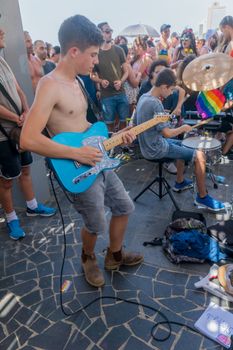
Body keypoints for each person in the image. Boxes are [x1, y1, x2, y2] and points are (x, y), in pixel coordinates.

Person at [20, 15, 143, 288]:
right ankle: (88, 257)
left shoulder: (79, 81)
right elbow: (28, 139)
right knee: (96, 222)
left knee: (124, 206)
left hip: (97, 159)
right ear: (74, 51)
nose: (96, 61)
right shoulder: (50, 85)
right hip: (77, 168)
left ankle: (115, 254)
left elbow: (84, 126)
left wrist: (114, 137)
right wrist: (77, 154)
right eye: (93, 54)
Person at [134, 68, 225, 211]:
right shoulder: (156, 103)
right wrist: (182, 128)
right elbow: (168, 134)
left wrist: (165, 118)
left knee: (184, 144)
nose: (171, 93)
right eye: (170, 90)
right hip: (156, 148)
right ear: (164, 86)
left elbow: (142, 123)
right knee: (200, 156)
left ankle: (180, 181)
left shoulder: (144, 97)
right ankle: (202, 198)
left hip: (147, 145)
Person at [0, 27, 56, 240]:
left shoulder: (3, 62)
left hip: (19, 128)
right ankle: (11, 218)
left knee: (26, 168)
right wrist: (17, 118)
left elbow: (19, 90)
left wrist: (26, 110)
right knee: (6, 180)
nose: (3, 32)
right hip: (4, 135)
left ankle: (32, 206)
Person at [91, 22, 129, 132]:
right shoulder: (96, 52)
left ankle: (123, 147)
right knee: (109, 125)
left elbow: (126, 71)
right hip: (106, 96)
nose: (110, 33)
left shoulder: (118, 50)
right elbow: (91, 75)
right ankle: (111, 148)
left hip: (121, 93)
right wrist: (100, 80)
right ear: (100, 33)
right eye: (107, 31)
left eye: (110, 31)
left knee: (124, 122)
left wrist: (121, 81)